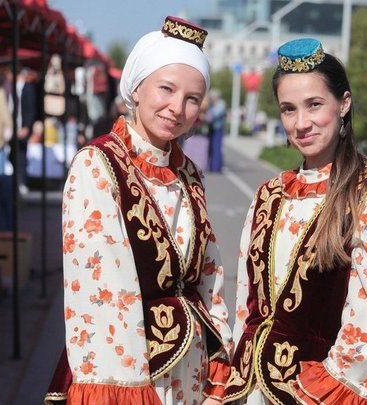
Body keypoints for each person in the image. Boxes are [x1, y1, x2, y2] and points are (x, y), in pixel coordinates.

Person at [45, 16, 232, 405]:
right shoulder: (98, 165)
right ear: (137, 87)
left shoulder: (188, 172)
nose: (177, 108)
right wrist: (130, 392)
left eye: (192, 98)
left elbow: (209, 275)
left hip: (191, 373)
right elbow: (104, 292)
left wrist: (220, 367)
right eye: (166, 89)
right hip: (128, 373)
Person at [223, 38, 367, 404]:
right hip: (252, 390)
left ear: (344, 104)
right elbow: (247, 306)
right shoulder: (269, 195)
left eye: (314, 105)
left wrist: (320, 389)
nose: (301, 123)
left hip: (317, 394)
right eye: (288, 109)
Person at [206, 89, 226, 172]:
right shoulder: (212, 105)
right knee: (211, 148)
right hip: (211, 129)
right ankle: (211, 166)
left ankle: (216, 167)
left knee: (217, 148)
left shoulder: (221, 104)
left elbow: (215, 114)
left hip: (218, 129)